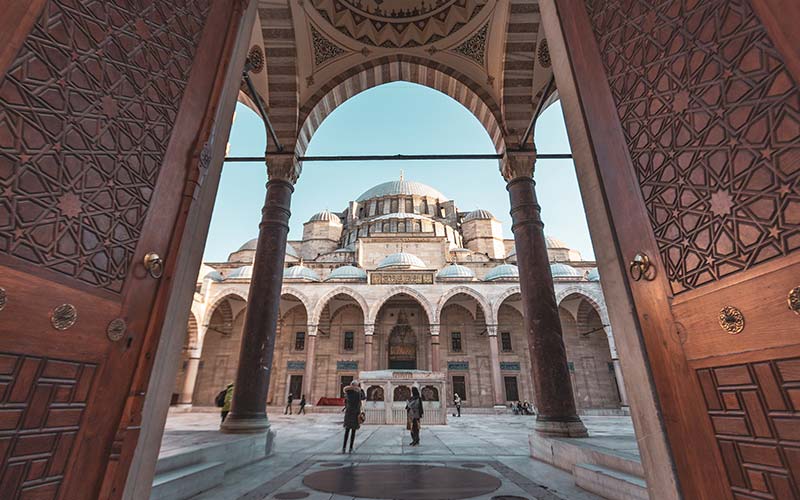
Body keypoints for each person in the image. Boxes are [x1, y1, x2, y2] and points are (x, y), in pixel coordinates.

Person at [342, 381, 365, 453]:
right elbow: (363, 397)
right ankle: (351, 447)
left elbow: (345, 400)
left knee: (347, 430)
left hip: (349, 413)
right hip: (355, 413)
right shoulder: (358, 393)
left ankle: (344, 447)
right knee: (353, 431)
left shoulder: (348, 393)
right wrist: (361, 390)